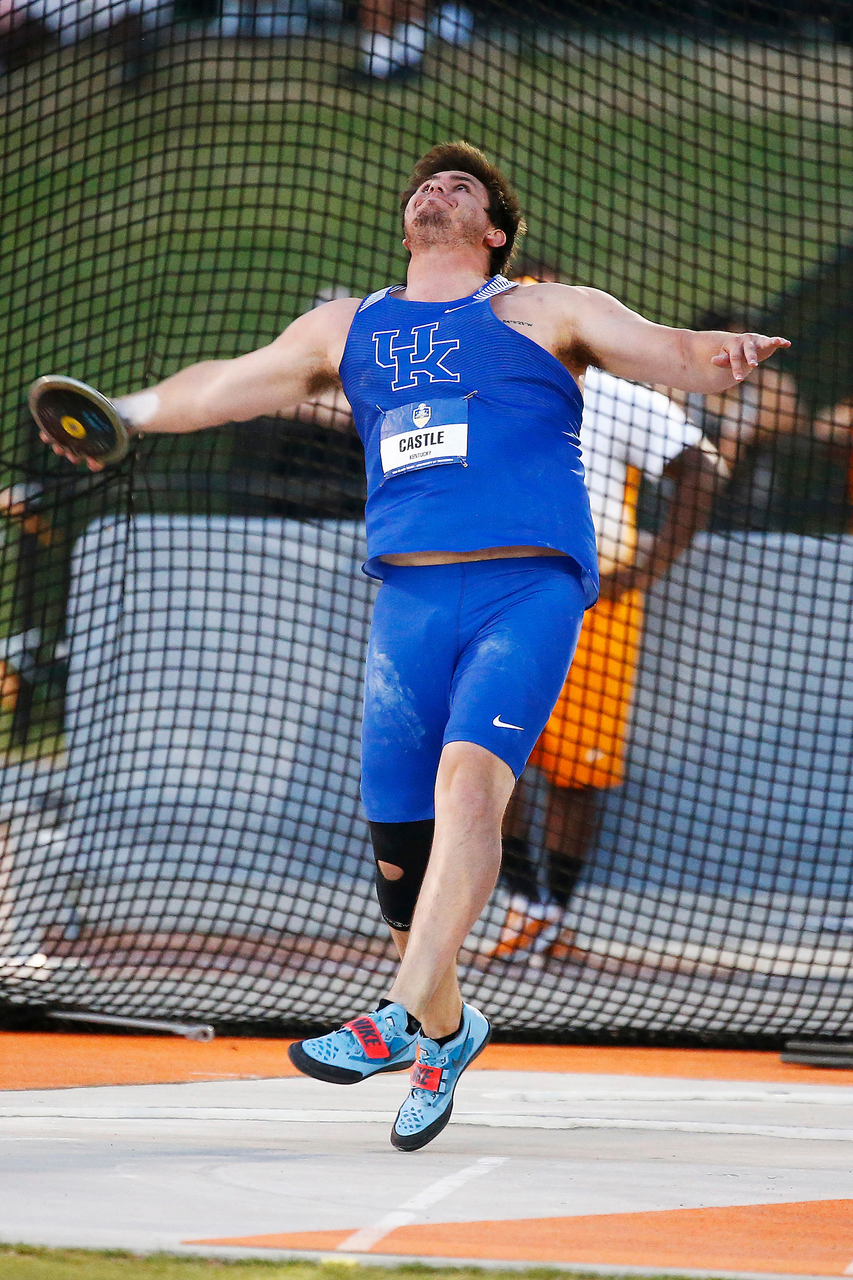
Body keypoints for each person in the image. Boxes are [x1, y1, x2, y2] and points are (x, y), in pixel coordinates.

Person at [40, 140, 789, 1151]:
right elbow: (230, 381)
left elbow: (664, 350)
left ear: (493, 231)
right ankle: (446, 1025)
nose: (437, 189)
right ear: (406, 223)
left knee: (469, 784)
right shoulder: (351, 327)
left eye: (464, 187)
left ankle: (393, 1017)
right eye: (425, 185)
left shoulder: (541, 308)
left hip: (528, 581)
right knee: (400, 848)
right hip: (407, 597)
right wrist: (121, 412)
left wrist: (718, 355)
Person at [493, 345, 725, 959]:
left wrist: (644, 572)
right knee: (487, 756)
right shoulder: (483, 385)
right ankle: (523, 907)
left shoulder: (618, 397)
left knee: (578, 774)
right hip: (498, 592)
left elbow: (702, 467)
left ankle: (556, 919)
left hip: (592, 601)